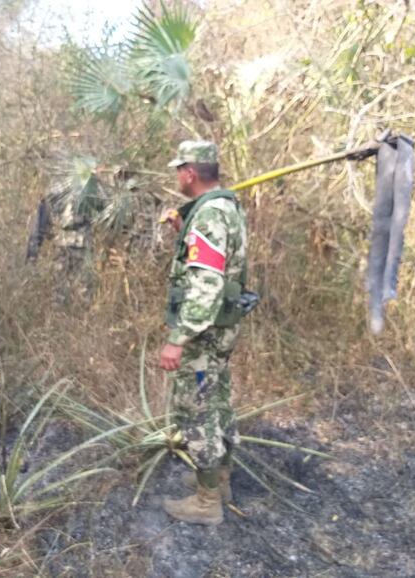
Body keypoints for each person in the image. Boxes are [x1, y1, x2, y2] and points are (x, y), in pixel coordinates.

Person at [159, 140, 248, 525]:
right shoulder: (225, 207)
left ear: (190, 173)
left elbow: (206, 285)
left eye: (179, 170)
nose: (177, 177)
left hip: (204, 334)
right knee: (219, 399)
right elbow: (217, 262)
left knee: (198, 410)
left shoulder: (209, 215)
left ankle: (207, 501)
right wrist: (184, 231)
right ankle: (219, 481)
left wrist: (178, 339)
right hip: (222, 329)